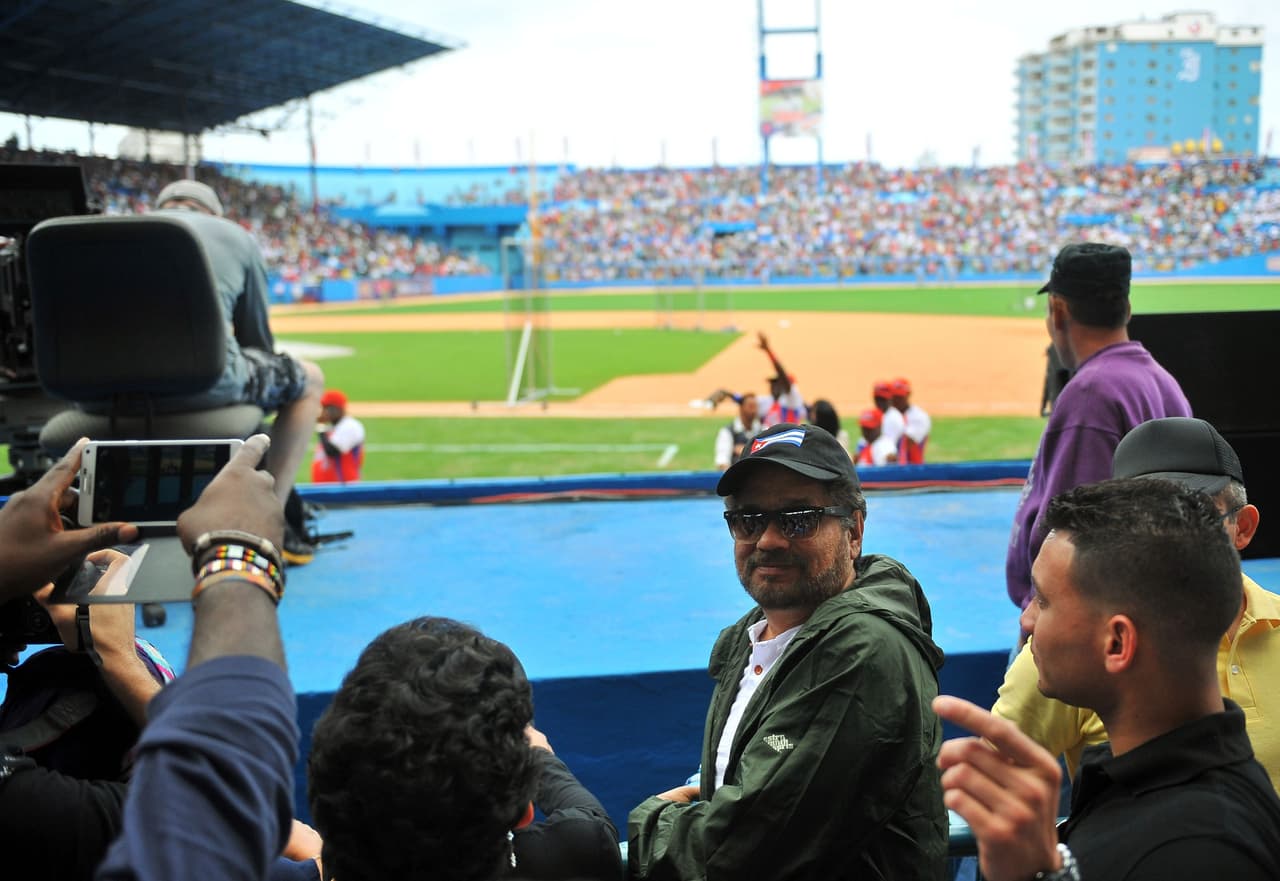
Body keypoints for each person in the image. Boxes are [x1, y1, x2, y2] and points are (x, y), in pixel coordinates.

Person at [628, 422, 947, 880]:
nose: (769, 540)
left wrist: (651, 820)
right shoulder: (753, 636)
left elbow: (734, 854)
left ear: (854, 530)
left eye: (800, 519)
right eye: (748, 520)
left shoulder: (861, 652)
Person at [937, 479, 1280, 881]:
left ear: (1117, 643)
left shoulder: (1197, 855)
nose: (1026, 621)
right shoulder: (1129, 774)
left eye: (1044, 601)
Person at [993, 417, 1280, 790]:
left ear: (1243, 527)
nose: (1167, 537)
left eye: (1195, 516)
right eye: (1142, 521)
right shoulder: (1072, 644)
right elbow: (993, 785)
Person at [309, 617, 622, 881]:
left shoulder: (307, 865)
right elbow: (592, 825)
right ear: (524, 812)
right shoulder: (576, 854)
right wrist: (539, 757)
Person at [1005, 243, 1190, 619]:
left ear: (1058, 309)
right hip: (1142, 609)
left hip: (1078, 623)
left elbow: (1073, 531)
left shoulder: (1091, 393)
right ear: (1127, 308)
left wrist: (1039, 613)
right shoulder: (1162, 380)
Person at [148, 179, 325, 508]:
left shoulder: (110, 233)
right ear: (213, 213)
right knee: (310, 379)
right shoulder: (233, 234)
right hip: (207, 384)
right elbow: (256, 342)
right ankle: (272, 513)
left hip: (96, 399)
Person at [311, 389, 366, 484]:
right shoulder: (333, 427)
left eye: (326, 408)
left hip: (343, 488)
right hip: (328, 488)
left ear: (337, 409)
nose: (323, 412)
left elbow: (332, 451)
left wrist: (321, 429)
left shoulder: (350, 426)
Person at [754, 332, 804, 427]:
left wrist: (768, 351)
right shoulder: (771, 401)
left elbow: (782, 373)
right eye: (771, 383)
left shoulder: (791, 399)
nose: (772, 386)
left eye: (775, 383)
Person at [712, 392, 761, 471]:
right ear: (741, 408)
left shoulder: (763, 430)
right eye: (751, 407)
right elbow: (722, 463)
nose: (754, 411)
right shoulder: (727, 432)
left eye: (756, 407)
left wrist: (745, 451)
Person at [890, 377, 930, 464]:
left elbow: (906, 442)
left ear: (908, 395)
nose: (896, 400)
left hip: (914, 469)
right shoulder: (887, 416)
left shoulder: (919, 417)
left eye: (900, 397)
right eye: (894, 397)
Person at [872, 380, 905, 448]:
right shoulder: (876, 414)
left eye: (883, 399)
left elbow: (889, 446)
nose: (880, 402)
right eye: (877, 398)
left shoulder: (894, 418)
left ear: (891, 398)